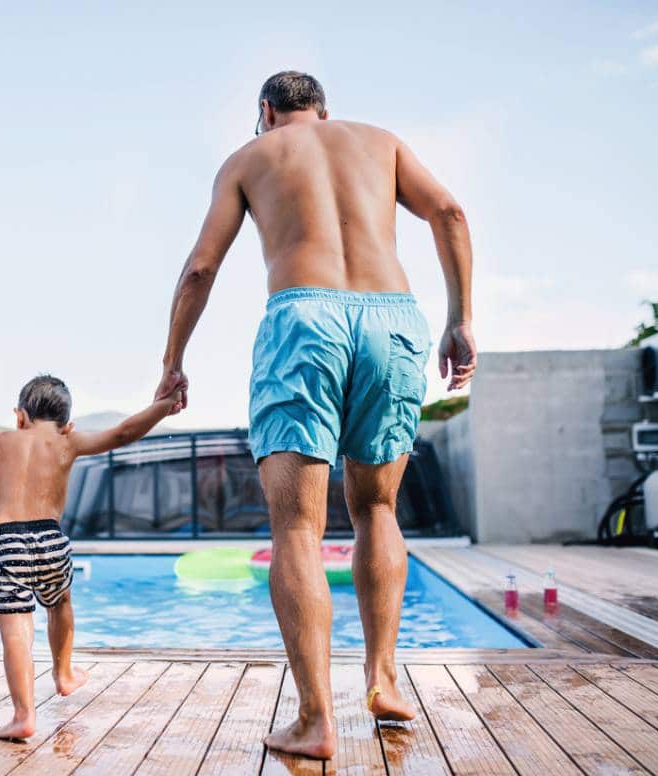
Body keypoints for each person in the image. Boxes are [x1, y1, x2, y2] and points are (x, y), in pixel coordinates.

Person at [154, 71, 476, 759]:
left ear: (266, 113)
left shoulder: (249, 158)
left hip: (305, 318)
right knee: (377, 510)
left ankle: (314, 719)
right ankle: (383, 678)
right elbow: (449, 212)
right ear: (324, 112)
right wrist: (460, 321)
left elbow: (200, 270)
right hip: (395, 320)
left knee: (297, 525)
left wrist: (172, 359)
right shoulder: (381, 141)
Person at [0, 375, 179, 740]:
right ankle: (64, 673)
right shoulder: (69, 442)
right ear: (67, 424)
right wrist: (164, 407)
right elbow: (123, 433)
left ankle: (23, 715)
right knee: (60, 602)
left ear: (20, 416)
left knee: (17, 631)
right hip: (51, 538)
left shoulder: (5, 440)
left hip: (6, 542)